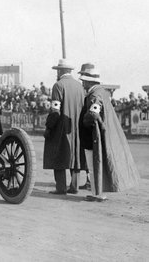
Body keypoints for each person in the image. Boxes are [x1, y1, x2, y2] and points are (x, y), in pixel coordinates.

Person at [79, 66, 140, 202]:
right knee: (96, 164)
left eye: (84, 81)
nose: (83, 84)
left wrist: (85, 121)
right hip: (99, 134)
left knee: (93, 165)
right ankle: (97, 192)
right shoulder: (103, 92)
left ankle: (97, 194)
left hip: (93, 136)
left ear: (89, 82)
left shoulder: (95, 95)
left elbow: (93, 113)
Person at [43, 59, 85, 195]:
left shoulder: (58, 85)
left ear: (60, 71)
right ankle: (75, 186)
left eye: (57, 71)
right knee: (75, 155)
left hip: (61, 127)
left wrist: (49, 127)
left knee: (58, 155)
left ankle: (60, 188)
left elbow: (55, 111)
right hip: (77, 128)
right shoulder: (80, 86)